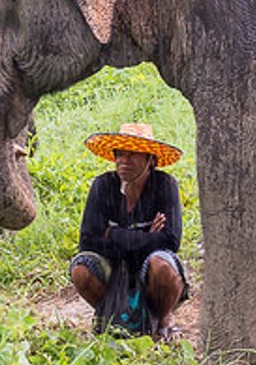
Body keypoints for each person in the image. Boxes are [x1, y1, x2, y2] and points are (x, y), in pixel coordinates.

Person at [71, 122, 189, 341]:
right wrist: (147, 237)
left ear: (150, 160)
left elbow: (171, 241)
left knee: (162, 266)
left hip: (149, 269)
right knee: (81, 269)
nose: (124, 161)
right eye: (120, 155)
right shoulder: (102, 186)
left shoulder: (165, 185)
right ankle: (113, 316)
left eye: (132, 155)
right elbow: (88, 240)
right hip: (114, 269)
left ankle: (163, 318)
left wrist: (113, 234)